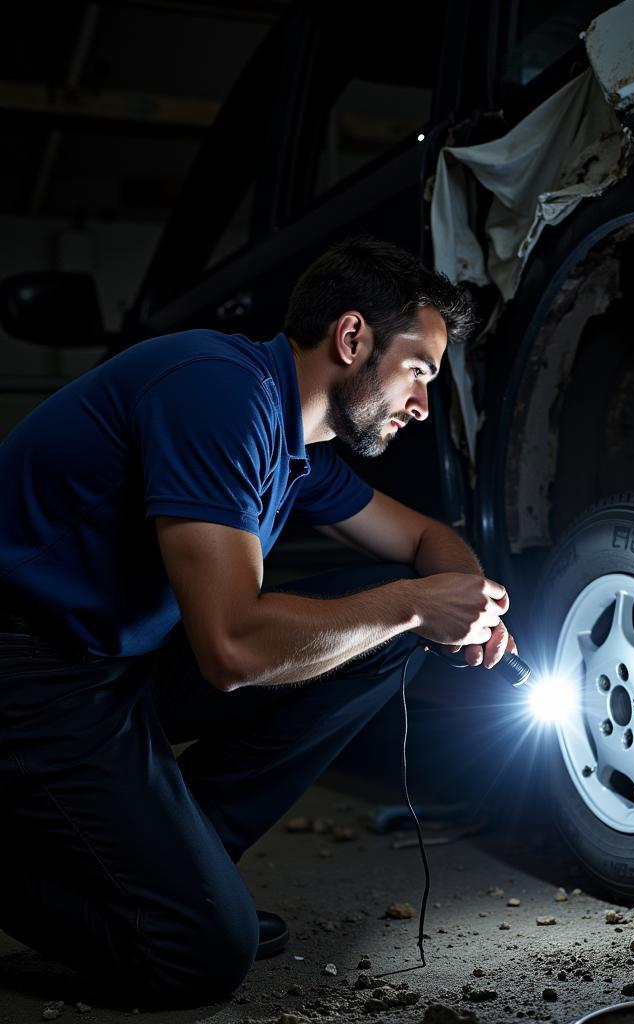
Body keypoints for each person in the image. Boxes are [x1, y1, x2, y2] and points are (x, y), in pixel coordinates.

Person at [0, 236, 516, 1007]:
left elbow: (417, 542)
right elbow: (233, 650)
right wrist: (417, 605)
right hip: (29, 669)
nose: (421, 404)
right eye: (418, 372)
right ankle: (157, 900)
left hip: (112, 660)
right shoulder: (217, 394)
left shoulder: (288, 434)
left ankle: (181, 864)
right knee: (199, 955)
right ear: (352, 339)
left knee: (390, 629)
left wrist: (469, 602)